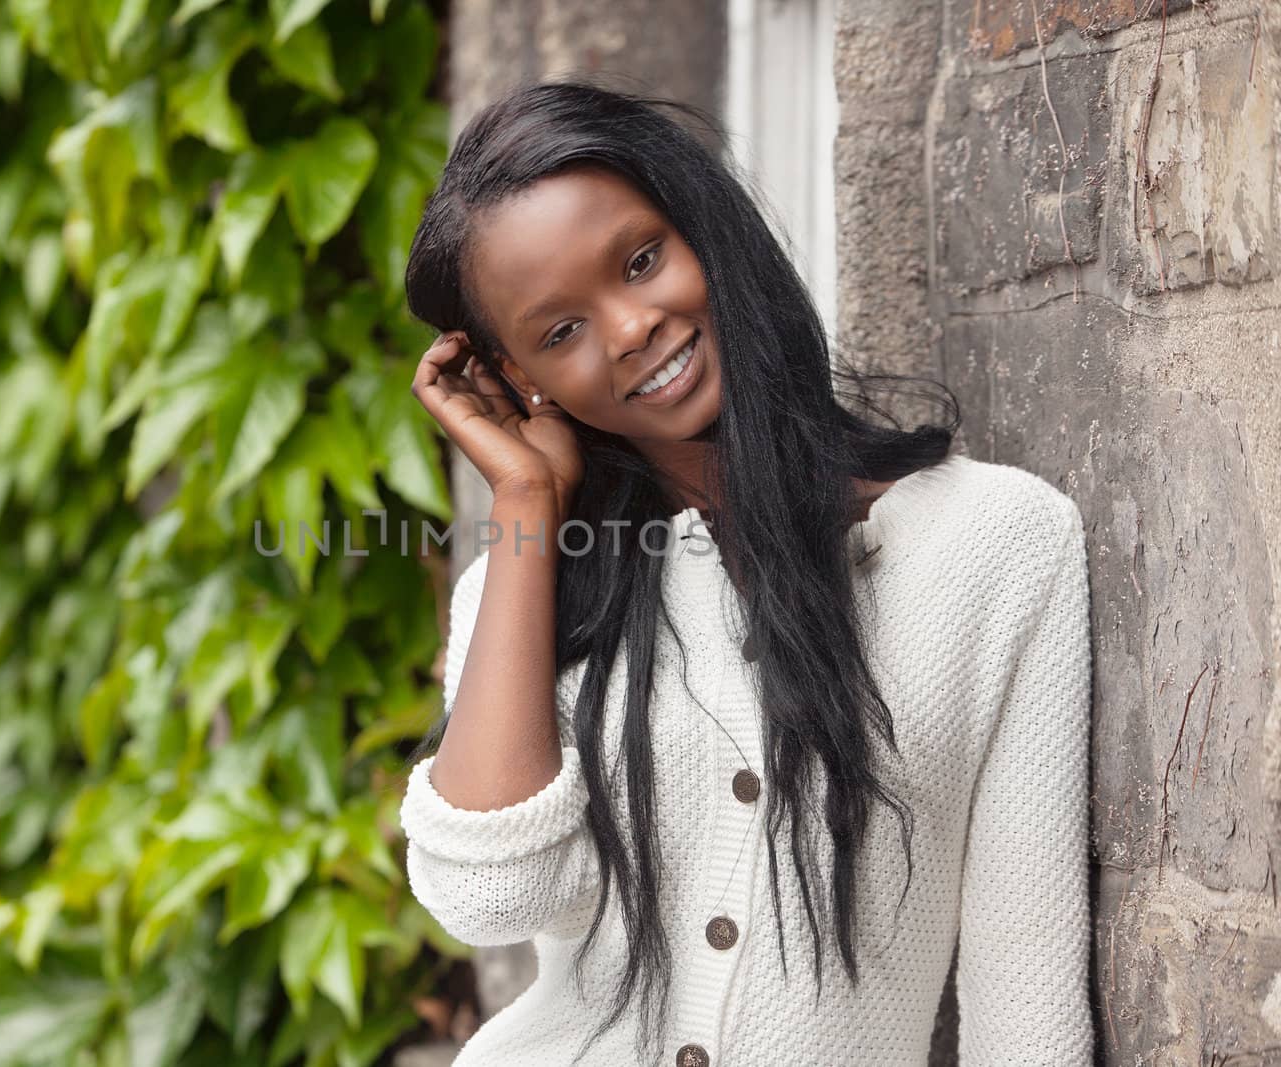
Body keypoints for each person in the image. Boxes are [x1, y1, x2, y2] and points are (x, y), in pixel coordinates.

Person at [397, 79, 1094, 1067]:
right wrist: (521, 503)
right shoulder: (531, 586)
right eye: (560, 331)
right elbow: (487, 896)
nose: (630, 326)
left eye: (640, 260)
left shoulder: (999, 542)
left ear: (700, 226)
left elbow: (1025, 979)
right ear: (519, 382)